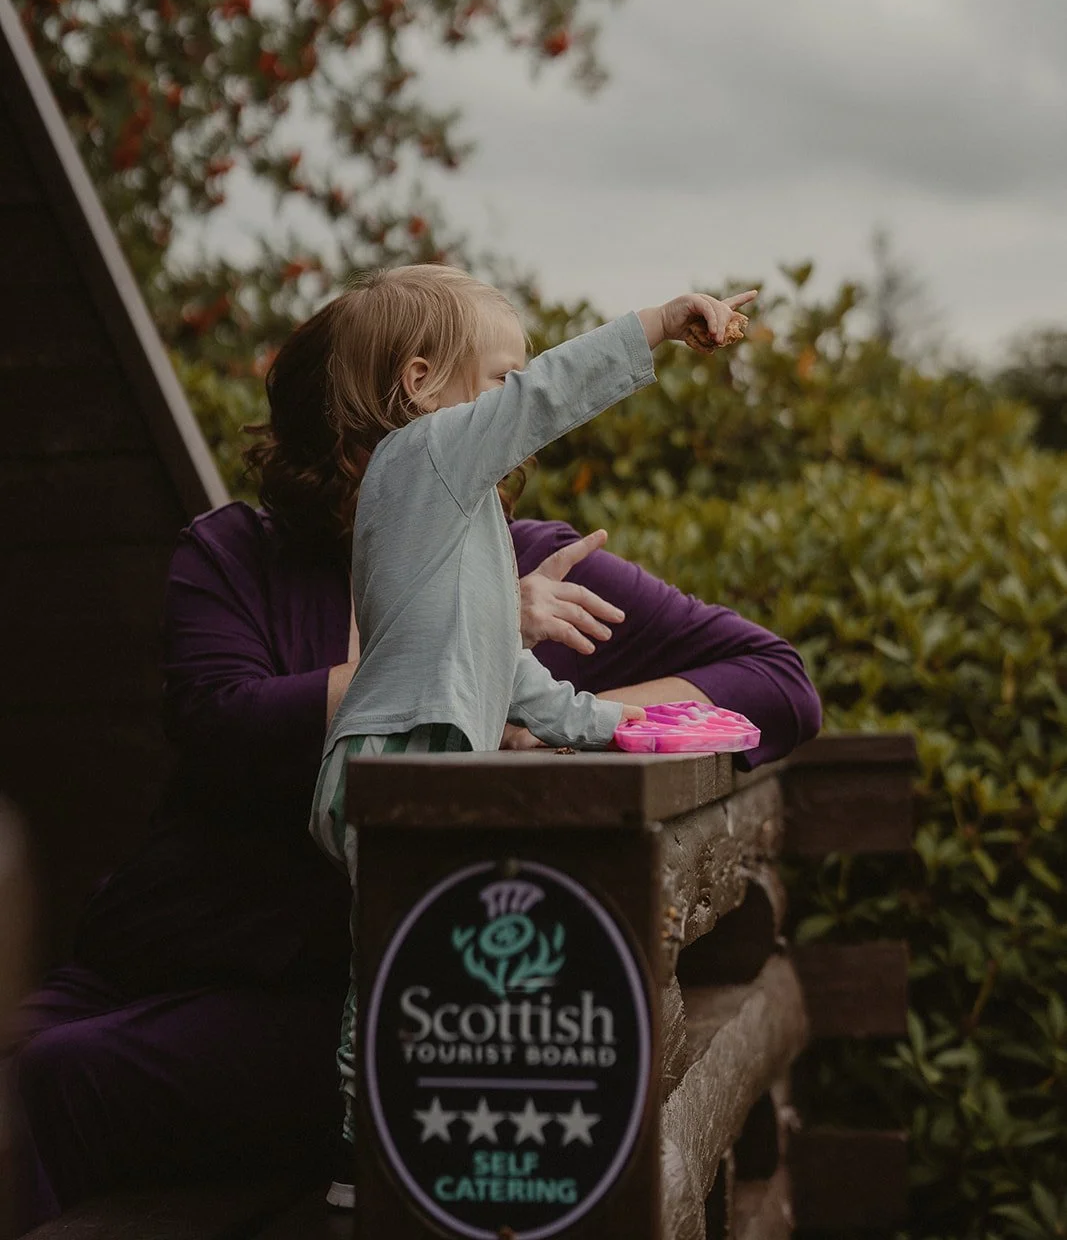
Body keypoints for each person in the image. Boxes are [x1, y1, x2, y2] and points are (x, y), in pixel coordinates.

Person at [8, 278, 820, 1231]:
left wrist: (534, 707)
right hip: (146, 962)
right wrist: (464, 637)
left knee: (43, 1090)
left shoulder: (523, 556)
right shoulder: (233, 553)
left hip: (336, 989)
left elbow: (776, 683)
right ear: (398, 397)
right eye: (496, 383)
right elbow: (223, 722)